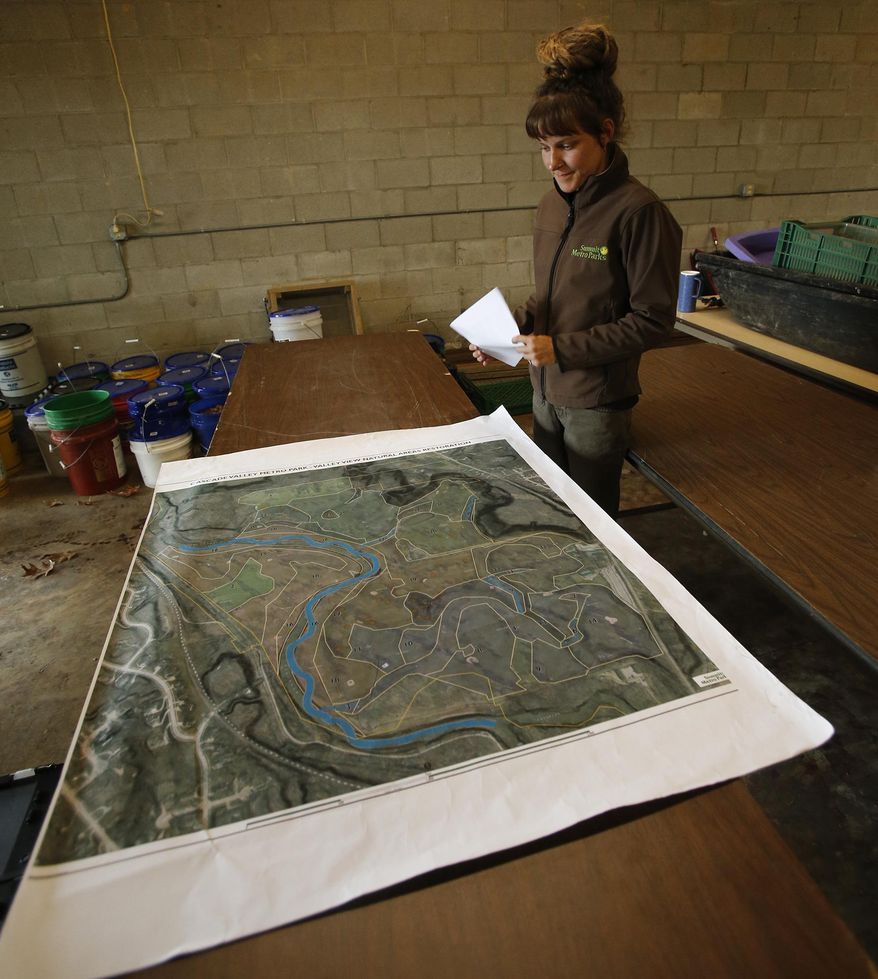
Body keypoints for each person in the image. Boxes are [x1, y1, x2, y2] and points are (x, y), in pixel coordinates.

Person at [470, 22, 682, 518]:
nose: (552, 162)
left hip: (595, 403)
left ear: (605, 133)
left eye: (566, 144)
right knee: (555, 508)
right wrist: (509, 328)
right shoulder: (550, 205)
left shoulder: (639, 212)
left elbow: (653, 321)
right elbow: (552, 295)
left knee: (593, 520)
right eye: (544, 148)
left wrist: (560, 349)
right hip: (543, 391)